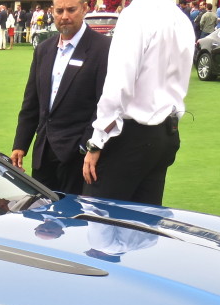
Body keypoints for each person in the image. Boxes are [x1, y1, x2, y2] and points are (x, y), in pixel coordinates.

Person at [81, 0, 194, 205]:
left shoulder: (135, 15)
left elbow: (119, 84)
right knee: (142, 226)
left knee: (98, 219)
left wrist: (97, 141)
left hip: (132, 136)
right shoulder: (181, 19)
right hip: (165, 133)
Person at [11, 0, 112, 193]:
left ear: (84, 9)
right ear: (52, 12)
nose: (64, 16)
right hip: (43, 153)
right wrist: (20, 144)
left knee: (75, 220)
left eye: (71, 10)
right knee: (42, 217)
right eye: (59, 11)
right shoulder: (44, 49)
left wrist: (88, 146)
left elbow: (105, 104)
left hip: (79, 157)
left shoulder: (103, 48)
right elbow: (31, 103)